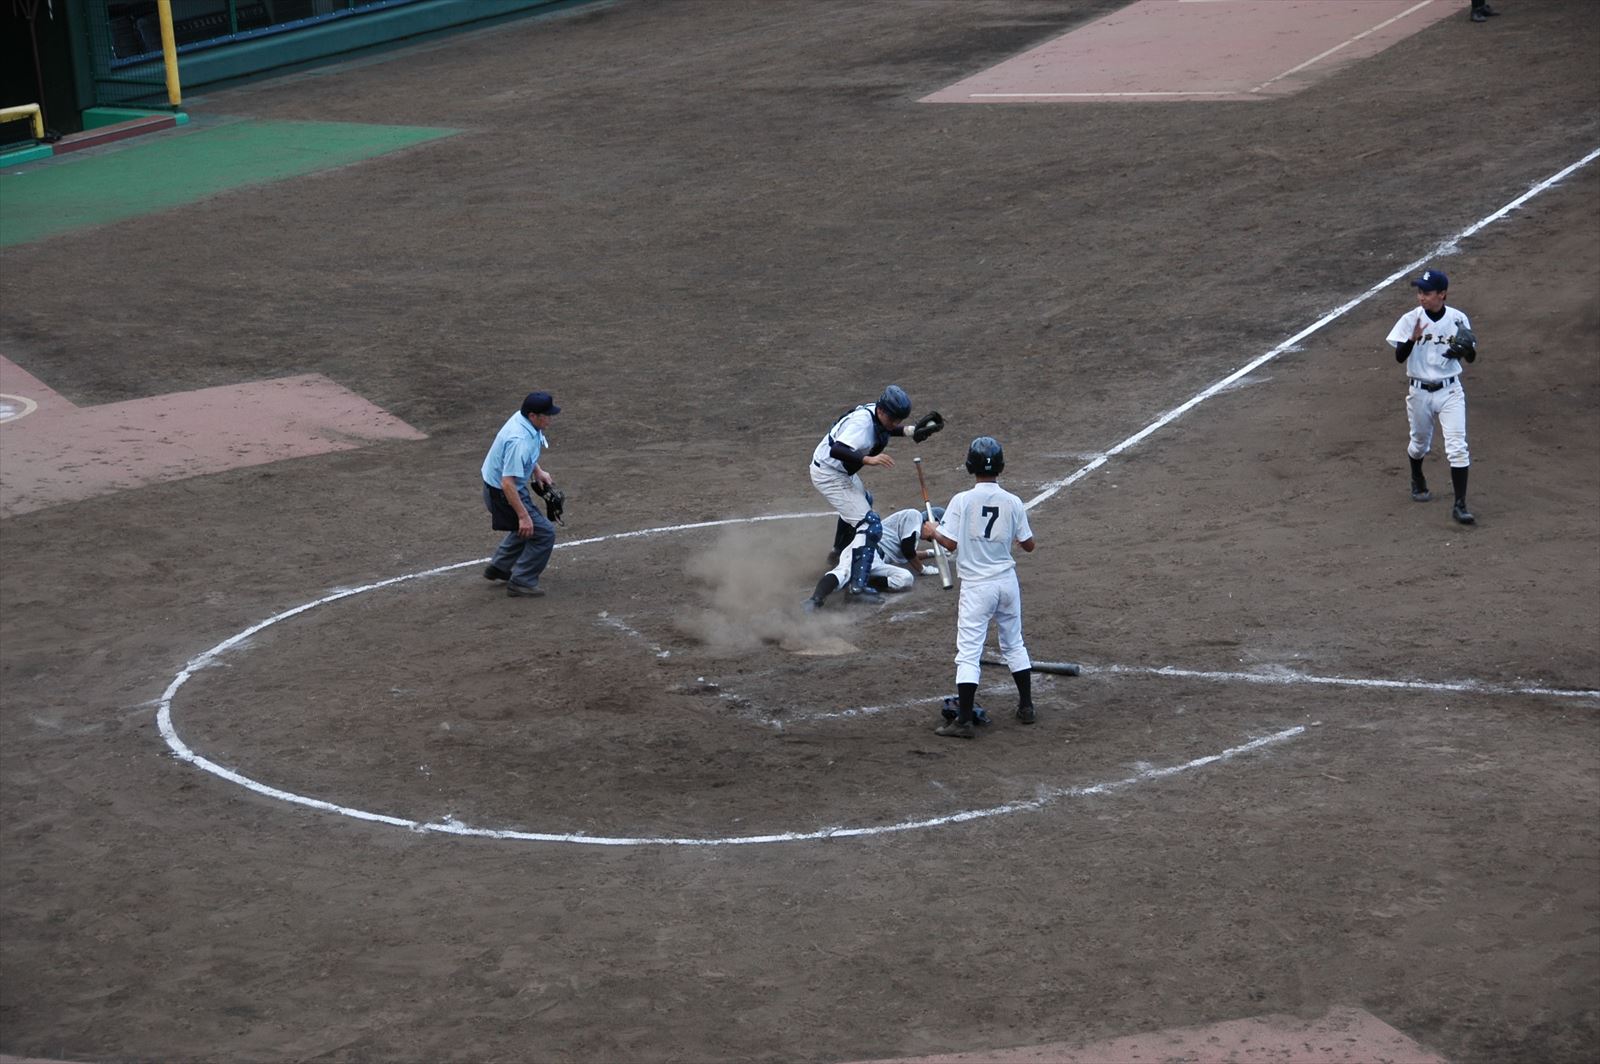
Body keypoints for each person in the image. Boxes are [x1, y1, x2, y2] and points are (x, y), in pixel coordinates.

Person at [931, 437, 1036, 739]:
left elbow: (950, 543)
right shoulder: (1013, 501)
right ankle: (1026, 707)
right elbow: (1029, 545)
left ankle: (964, 721)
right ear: (1000, 466)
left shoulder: (962, 500)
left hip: (977, 587)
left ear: (970, 466)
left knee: (968, 653)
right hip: (1007, 583)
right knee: (1014, 644)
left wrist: (932, 531)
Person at [808, 384, 943, 600]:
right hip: (829, 474)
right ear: (881, 410)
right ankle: (857, 588)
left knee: (865, 501)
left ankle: (839, 551)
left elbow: (886, 428)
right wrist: (867, 459)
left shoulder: (877, 414)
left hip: (840, 472)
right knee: (869, 524)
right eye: (893, 419)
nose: (895, 423)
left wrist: (910, 431)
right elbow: (837, 449)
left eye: (899, 420)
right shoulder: (861, 423)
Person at [1385, 268, 1478, 525]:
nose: (1421, 297)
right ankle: (1417, 477)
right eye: (1420, 292)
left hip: (1450, 391)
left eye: (1427, 292)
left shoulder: (1458, 319)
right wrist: (1411, 339)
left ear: (1442, 294)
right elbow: (1399, 357)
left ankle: (1460, 505)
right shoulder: (1410, 319)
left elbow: (1470, 356)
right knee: (1419, 445)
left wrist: (1466, 350)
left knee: (1457, 447)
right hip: (1419, 392)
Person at [481, 391, 561, 597]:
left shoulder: (524, 420)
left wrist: (537, 470)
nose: (550, 419)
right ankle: (522, 581)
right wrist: (523, 516)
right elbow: (507, 483)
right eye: (547, 415)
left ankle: (500, 566)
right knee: (543, 533)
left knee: (529, 527)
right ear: (533, 415)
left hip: (498, 487)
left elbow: (524, 457)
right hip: (503, 493)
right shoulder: (519, 440)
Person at [804, 505, 943, 610]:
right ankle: (815, 600)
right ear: (932, 520)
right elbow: (908, 551)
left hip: (878, 561)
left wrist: (930, 553)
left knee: (905, 578)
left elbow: (909, 553)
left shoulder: (911, 534)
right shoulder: (914, 516)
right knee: (843, 572)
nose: (937, 535)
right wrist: (923, 569)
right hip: (864, 547)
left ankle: (861, 583)